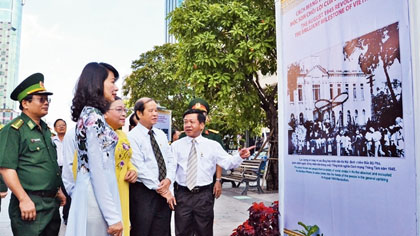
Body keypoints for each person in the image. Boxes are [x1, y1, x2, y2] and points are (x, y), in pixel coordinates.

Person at [0, 73, 66, 235]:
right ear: (25, 103)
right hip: (30, 204)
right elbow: (6, 169)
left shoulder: (45, 130)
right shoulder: (14, 130)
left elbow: (46, 164)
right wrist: (23, 199)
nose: (46, 103)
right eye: (41, 99)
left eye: (47, 99)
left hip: (51, 204)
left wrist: (57, 190)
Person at [171, 109, 255, 235]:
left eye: (192, 122)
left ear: (202, 125)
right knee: (182, 231)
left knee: (204, 231)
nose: (187, 125)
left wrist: (240, 156)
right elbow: (171, 170)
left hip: (204, 196)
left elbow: (227, 162)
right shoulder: (176, 146)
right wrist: (171, 192)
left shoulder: (212, 145)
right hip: (183, 195)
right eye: (185, 122)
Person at [65, 62, 123, 236]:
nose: (116, 87)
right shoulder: (94, 119)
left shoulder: (89, 114)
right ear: (97, 83)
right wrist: (112, 217)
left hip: (91, 195)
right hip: (96, 201)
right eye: (112, 81)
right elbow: (98, 171)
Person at [128, 97, 176, 236]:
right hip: (144, 193)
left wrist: (168, 180)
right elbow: (140, 168)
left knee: (162, 231)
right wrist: (162, 189)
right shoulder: (132, 137)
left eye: (156, 110)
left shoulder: (160, 134)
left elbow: (170, 160)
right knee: (143, 230)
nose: (155, 114)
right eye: (150, 111)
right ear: (139, 113)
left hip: (164, 190)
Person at [104, 97, 138, 236]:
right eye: (119, 110)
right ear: (104, 112)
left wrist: (133, 170)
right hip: (106, 196)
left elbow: (127, 160)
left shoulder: (122, 134)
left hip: (123, 192)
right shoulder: (95, 134)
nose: (124, 114)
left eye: (125, 110)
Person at [179, 98, 224, 199]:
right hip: (184, 187)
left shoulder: (214, 136)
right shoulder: (183, 137)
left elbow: (219, 161)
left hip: (207, 184)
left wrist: (218, 180)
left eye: (203, 113)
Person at [52, 118, 72, 225]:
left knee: (67, 193)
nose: (61, 126)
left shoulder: (70, 139)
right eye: (59, 125)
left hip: (67, 169)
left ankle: (66, 216)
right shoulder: (51, 141)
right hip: (55, 170)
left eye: (63, 125)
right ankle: (54, 217)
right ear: (55, 128)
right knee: (55, 193)